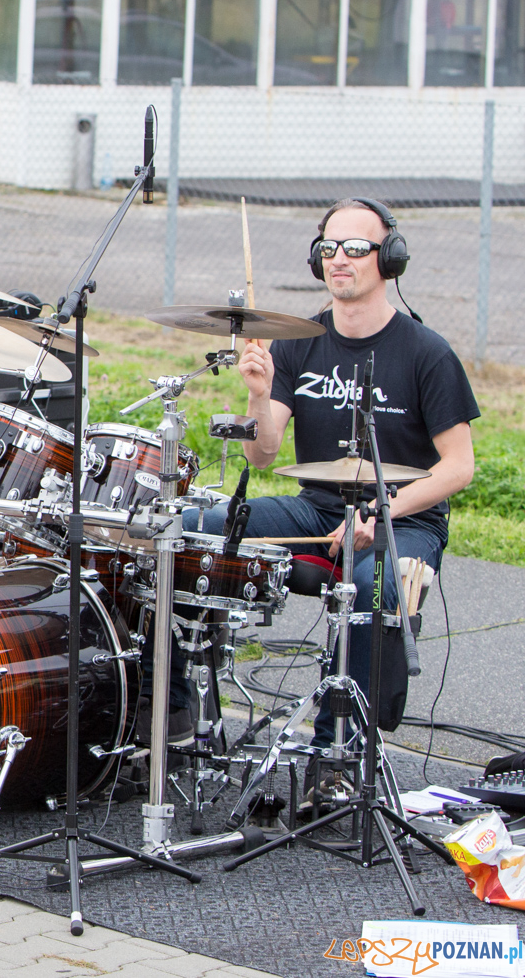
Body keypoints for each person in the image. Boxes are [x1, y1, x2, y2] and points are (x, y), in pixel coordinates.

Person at [188, 197, 477, 747]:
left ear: (389, 258)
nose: (338, 258)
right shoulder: (299, 340)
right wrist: (256, 395)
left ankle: (337, 753)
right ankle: (176, 718)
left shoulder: (427, 353)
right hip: (316, 508)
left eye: (356, 247)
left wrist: (377, 512)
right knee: (187, 529)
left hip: (403, 521)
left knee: (370, 586)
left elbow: (459, 467)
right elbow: (263, 456)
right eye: (328, 248)